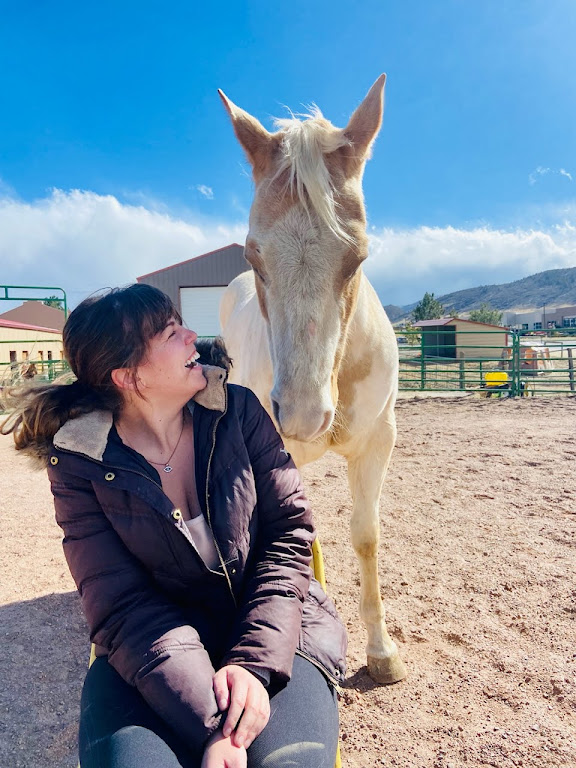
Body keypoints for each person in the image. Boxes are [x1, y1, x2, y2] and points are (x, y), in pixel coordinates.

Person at [3, 283, 346, 768]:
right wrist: (214, 725)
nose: (192, 336)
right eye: (170, 333)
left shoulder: (239, 411)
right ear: (128, 376)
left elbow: (289, 535)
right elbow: (121, 603)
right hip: (149, 652)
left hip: (277, 628)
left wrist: (252, 665)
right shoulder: (80, 462)